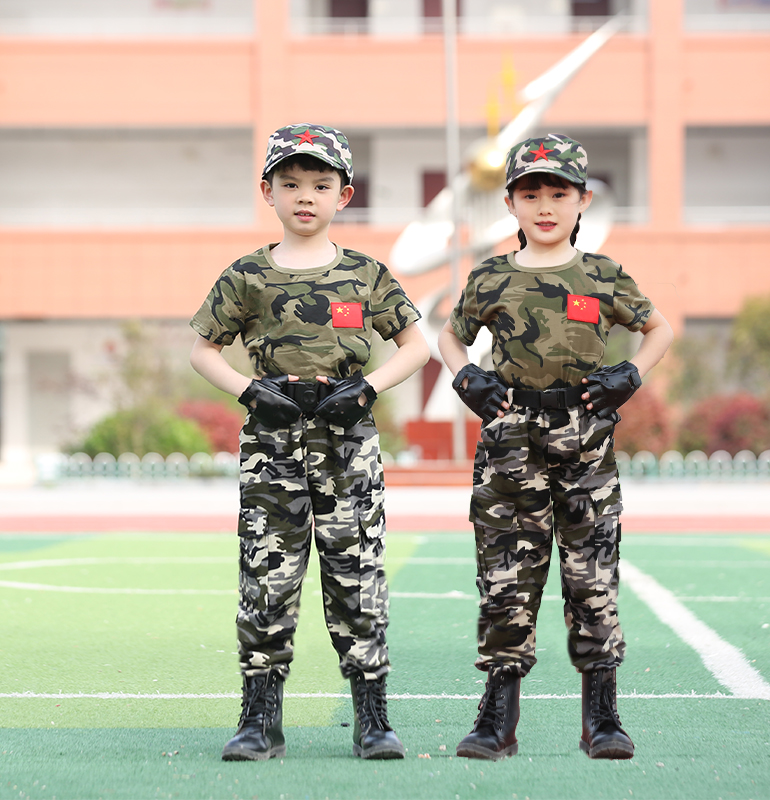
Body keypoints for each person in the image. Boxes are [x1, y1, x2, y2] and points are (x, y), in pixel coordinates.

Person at [189, 123, 429, 762]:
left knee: (358, 577)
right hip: (273, 447)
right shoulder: (248, 275)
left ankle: (372, 717)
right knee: (267, 575)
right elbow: (202, 350)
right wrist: (248, 391)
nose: (305, 196)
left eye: (321, 184)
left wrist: (367, 388)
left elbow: (415, 347)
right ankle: (259, 718)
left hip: (347, 447)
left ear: (344, 194)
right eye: (290, 183)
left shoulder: (364, 275)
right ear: (267, 191)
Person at [438, 133, 673, 761]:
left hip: (585, 442)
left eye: (558, 193)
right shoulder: (490, 276)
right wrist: (467, 375)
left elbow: (659, 327)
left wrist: (631, 373)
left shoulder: (602, 275)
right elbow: (449, 335)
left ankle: (602, 717)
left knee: (590, 576)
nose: (545, 206)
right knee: (506, 579)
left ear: (583, 200)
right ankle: (497, 720)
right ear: (510, 204)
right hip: (511, 442)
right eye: (530, 194)